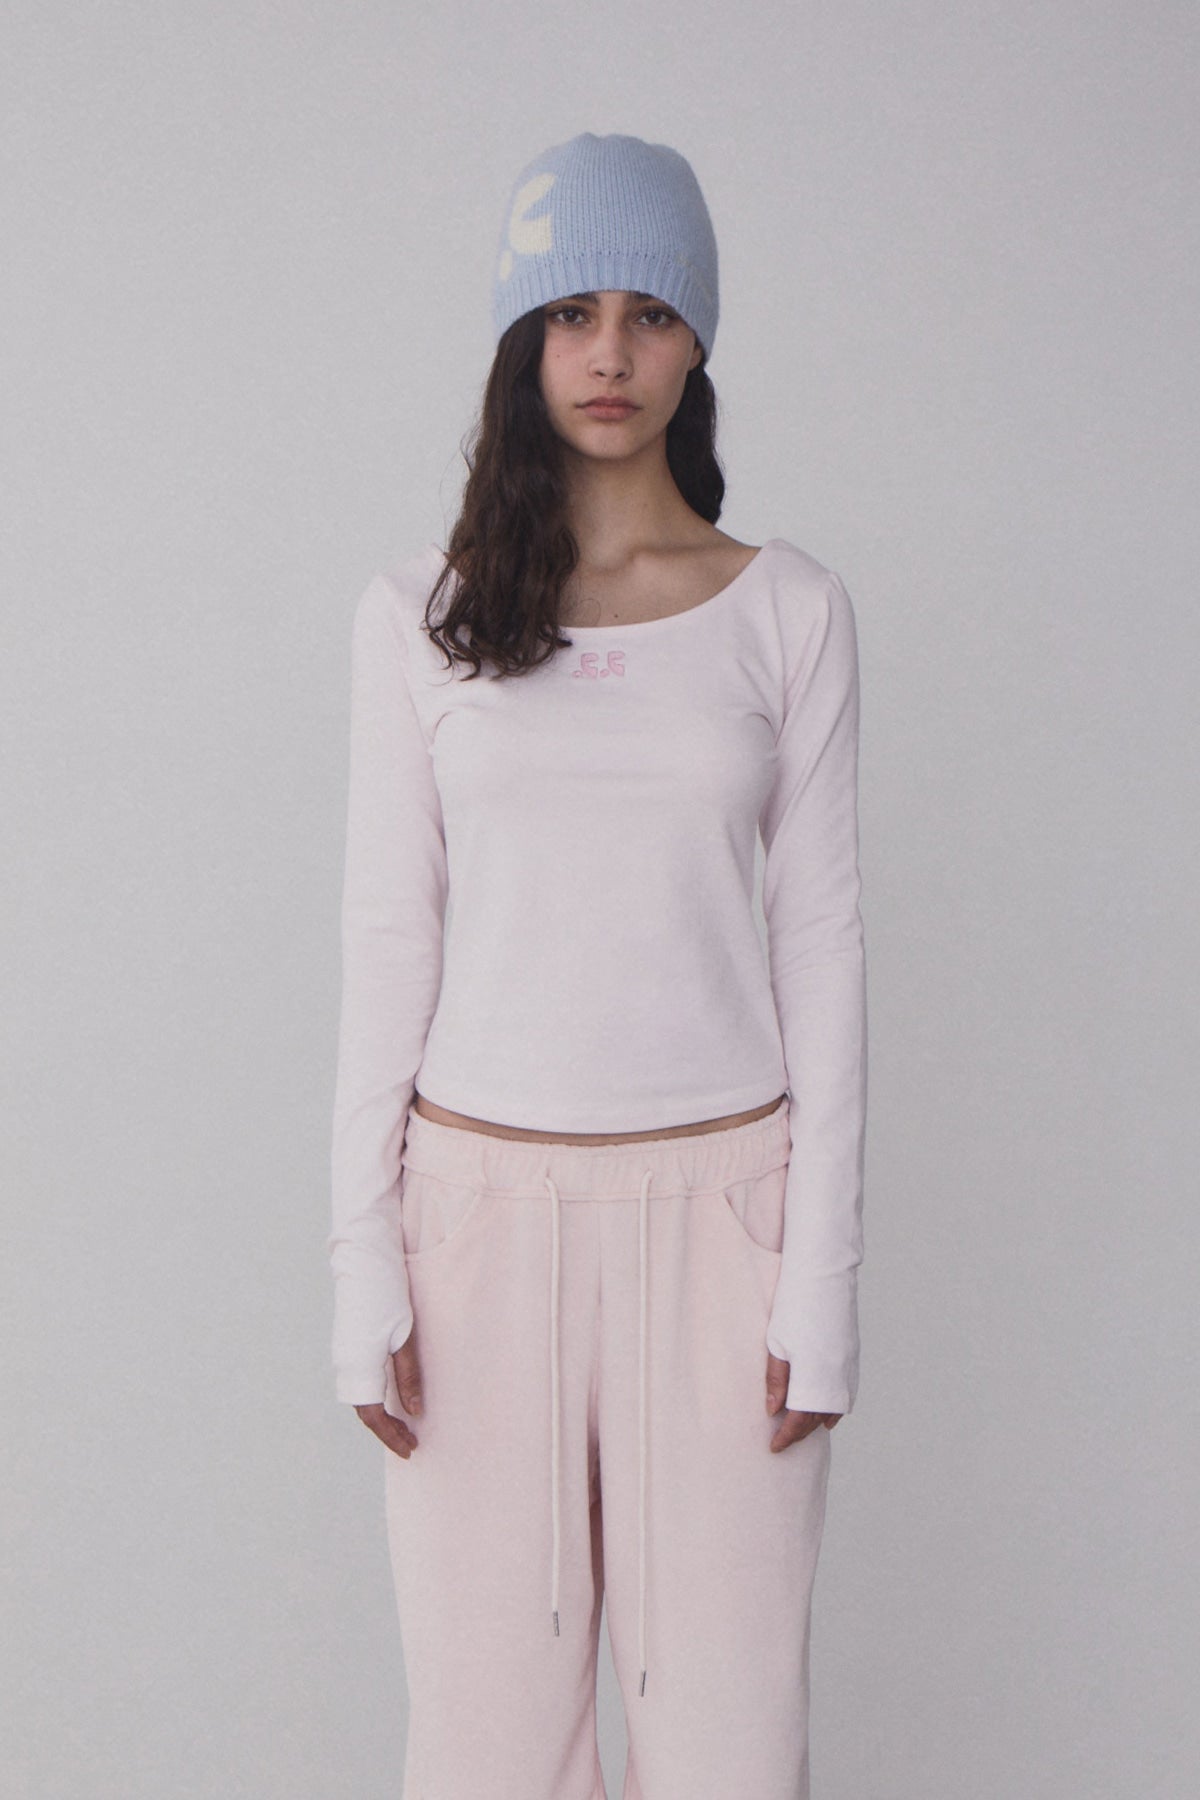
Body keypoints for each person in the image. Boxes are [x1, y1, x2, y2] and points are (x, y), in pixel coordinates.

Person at [327, 130, 868, 1800]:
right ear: (525, 342)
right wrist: (360, 1266)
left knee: (730, 1749)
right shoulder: (418, 615)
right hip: (475, 1227)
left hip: (726, 1221)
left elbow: (824, 949)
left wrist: (820, 1284)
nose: (610, 353)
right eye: (572, 314)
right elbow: (388, 940)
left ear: (698, 342)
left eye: (649, 313)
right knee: (485, 1751)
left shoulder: (788, 611)